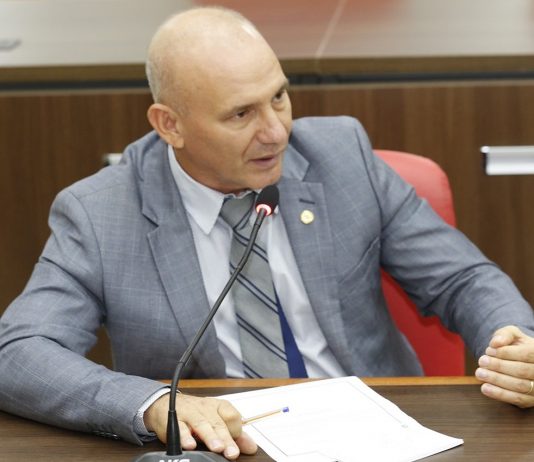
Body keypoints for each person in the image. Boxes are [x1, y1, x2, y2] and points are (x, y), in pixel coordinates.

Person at [1, 6, 534, 461]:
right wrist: (153, 404)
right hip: (219, 447)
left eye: (279, 97)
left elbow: (462, 279)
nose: (276, 132)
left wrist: (517, 345)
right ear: (170, 125)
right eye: (241, 114)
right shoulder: (101, 213)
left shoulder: (342, 157)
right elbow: (18, 353)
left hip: (374, 438)